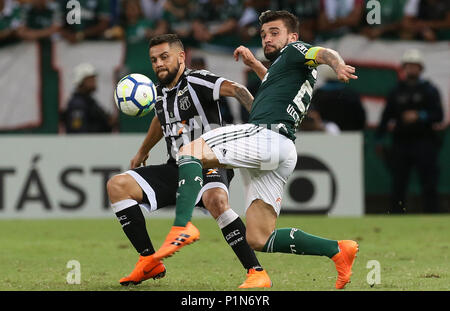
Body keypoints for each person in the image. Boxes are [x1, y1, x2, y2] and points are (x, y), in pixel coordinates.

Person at [153, 10, 359, 290]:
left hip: (265, 135)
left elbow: (324, 53)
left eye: (275, 32)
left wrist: (338, 65)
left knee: (189, 151)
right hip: (283, 148)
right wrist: (255, 65)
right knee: (259, 238)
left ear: (293, 37)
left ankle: (181, 226)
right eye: (264, 34)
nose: (267, 38)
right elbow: (273, 86)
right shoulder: (286, 69)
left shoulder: (297, 50)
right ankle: (337, 250)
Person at [106, 34, 271, 288]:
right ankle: (149, 261)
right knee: (117, 186)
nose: (158, 64)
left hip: (210, 162)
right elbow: (160, 121)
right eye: (153, 60)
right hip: (177, 168)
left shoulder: (197, 79)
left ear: (181, 57)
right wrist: (142, 151)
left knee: (215, 199)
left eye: (164, 57)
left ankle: (256, 272)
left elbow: (238, 90)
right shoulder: (158, 93)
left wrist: (260, 124)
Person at [375, 49, 443, 214]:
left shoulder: (430, 90)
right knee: (399, 182)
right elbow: (386, 117)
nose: (411, 69)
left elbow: (438, 115)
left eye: (415, 66)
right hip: (401, 142)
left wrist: (420, 116)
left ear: (420, 68)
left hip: (424, 141)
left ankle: (431, 215)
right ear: (404, 68)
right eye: (409, 66)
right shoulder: (396, 91)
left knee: (428, 181)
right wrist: (379, 139)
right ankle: (397, 215)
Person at [61, 63, 116, 133]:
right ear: (80, 81)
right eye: (90, 79)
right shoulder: (77, 104)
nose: (94, 82)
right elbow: (78, 133)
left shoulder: (90, 101)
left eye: (94, 79)